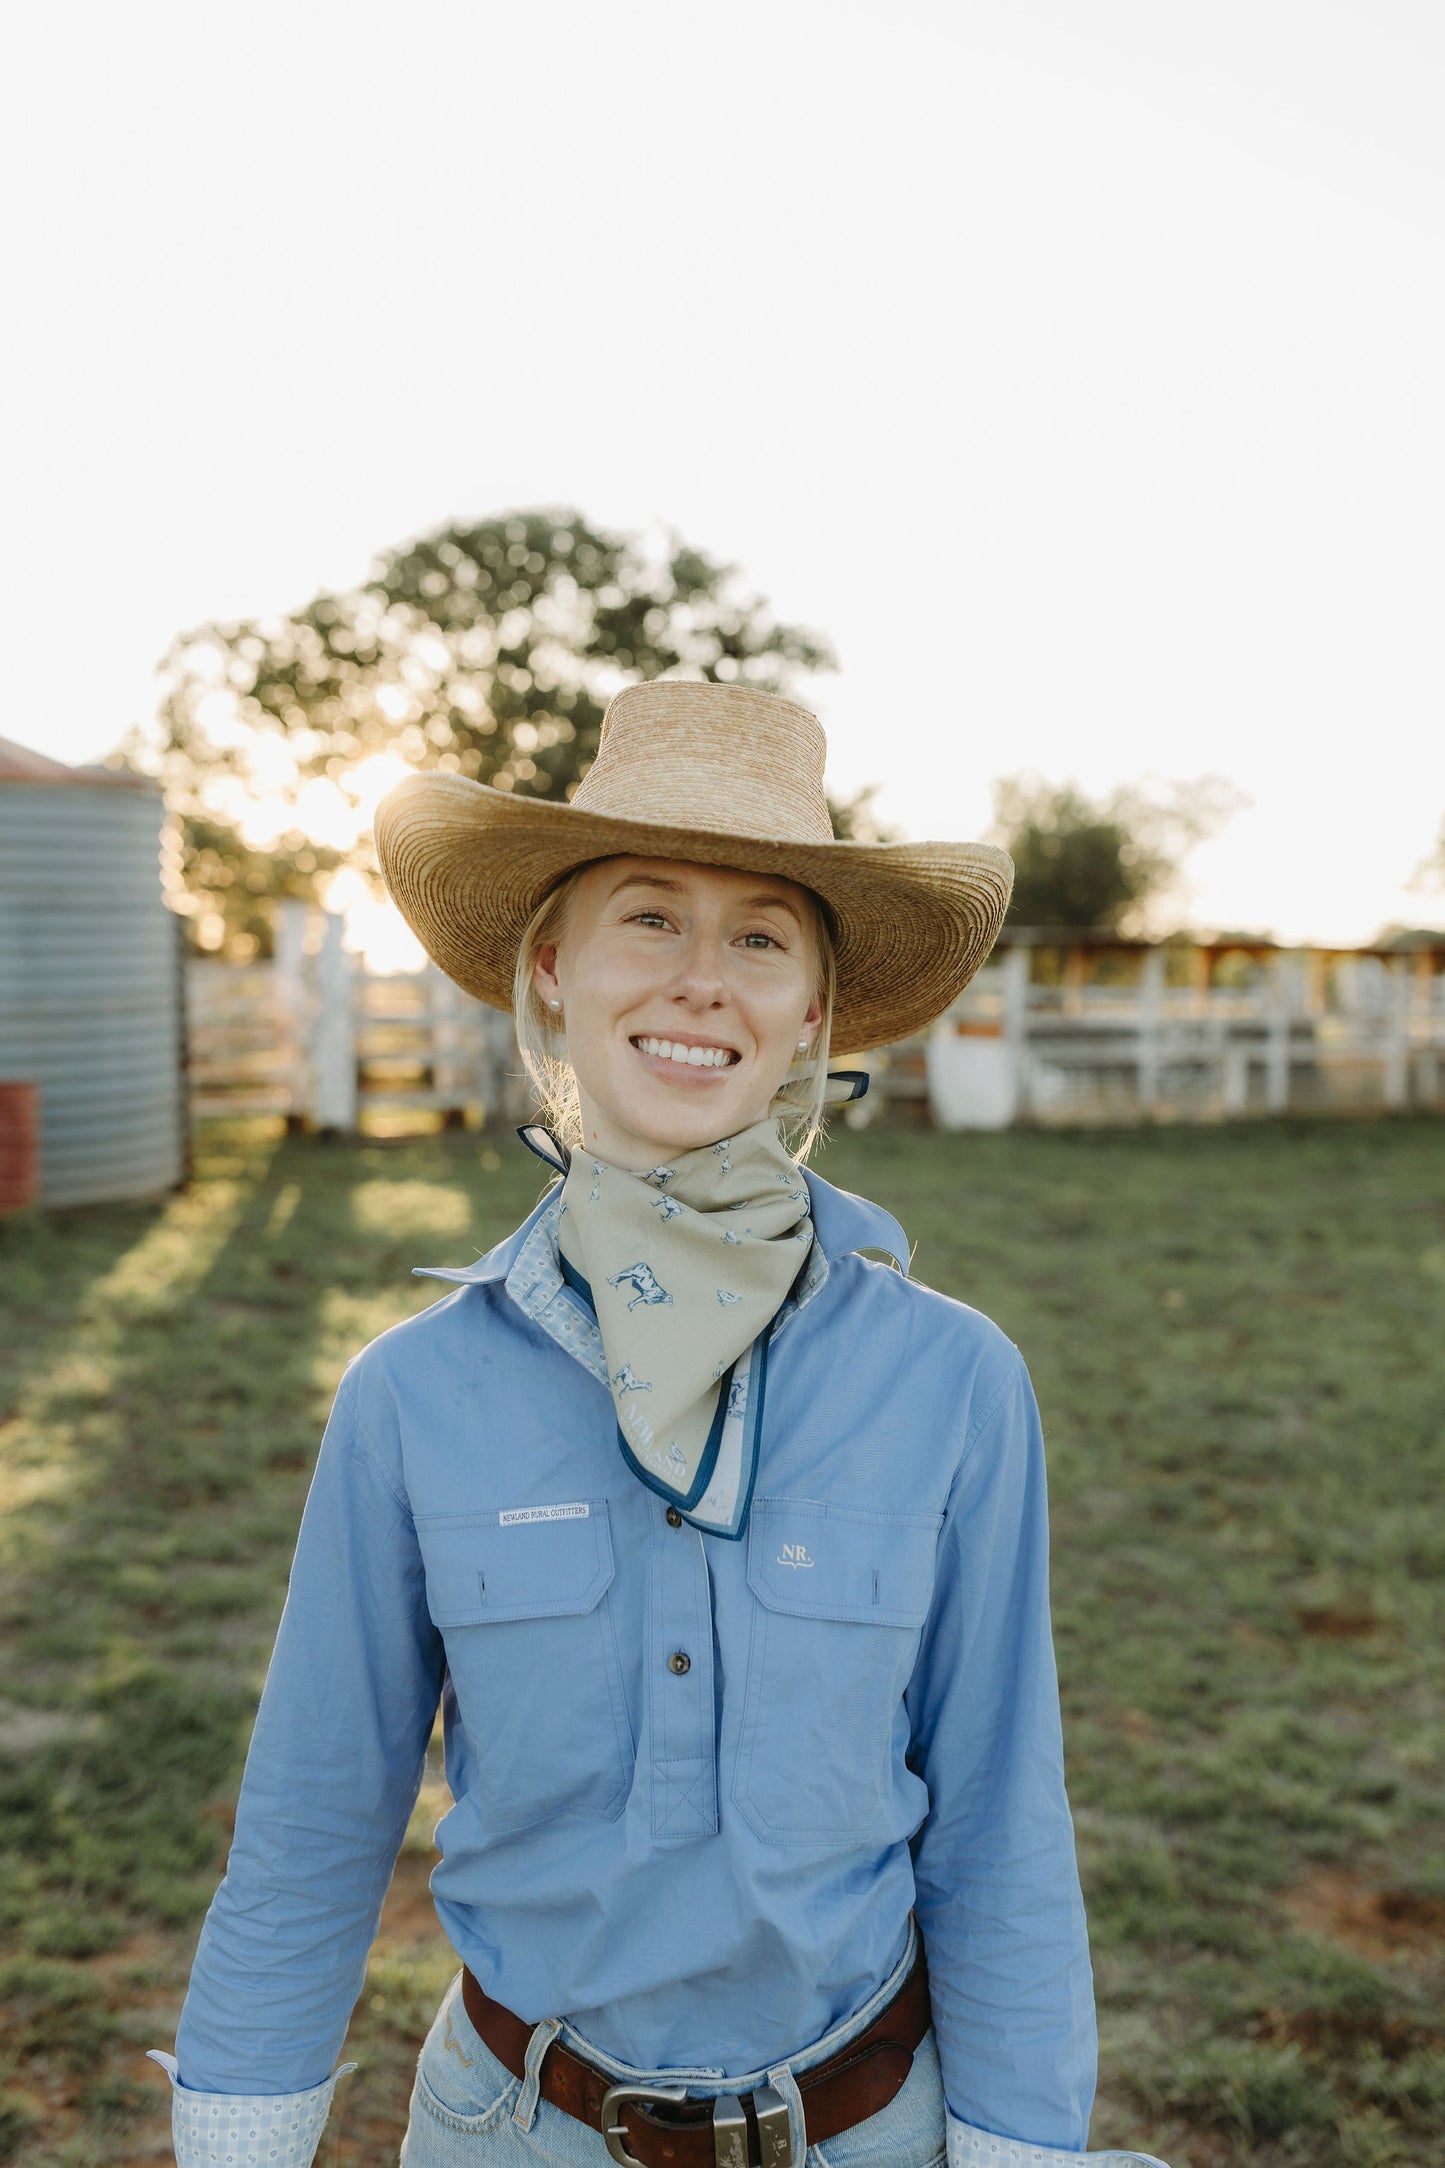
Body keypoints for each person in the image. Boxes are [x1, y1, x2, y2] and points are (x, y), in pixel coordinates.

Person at [149, 682, 1170, 2168]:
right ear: (550, 968)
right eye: (649, 918)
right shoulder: (410, 1398)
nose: (703, 979)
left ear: (811, 1009)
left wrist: (1020, 2145)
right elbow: (314, 1820)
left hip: (870, 2128)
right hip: (515, 2128)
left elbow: (1000, 1813)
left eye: (759, 935)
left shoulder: (952, 1381)